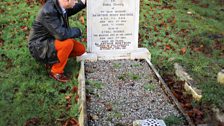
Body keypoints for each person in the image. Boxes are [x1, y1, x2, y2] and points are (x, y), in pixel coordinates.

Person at [28, 0, 86, 83]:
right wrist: (78, 31)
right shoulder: (48, 11)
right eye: (75, 0)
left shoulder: (59, 5)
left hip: (51, 39)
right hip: (40, 46)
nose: (76, 1)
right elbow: (61, 35)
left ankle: (54, 60)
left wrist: (83, 3)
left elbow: (70, 10)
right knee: (67, 44)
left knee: (80, 49)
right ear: (67, 1)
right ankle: (56, 71)